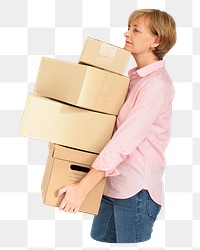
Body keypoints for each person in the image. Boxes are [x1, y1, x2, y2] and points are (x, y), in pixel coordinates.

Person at [57, 9, 177, 243]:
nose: (126, 33)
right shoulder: (134, 79)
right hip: (112, 184)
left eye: (135, 29)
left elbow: (125, 140)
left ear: (156, 40)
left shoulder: (156, 86)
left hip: (136, 192)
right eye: (128, 27)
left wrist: (82, 188)